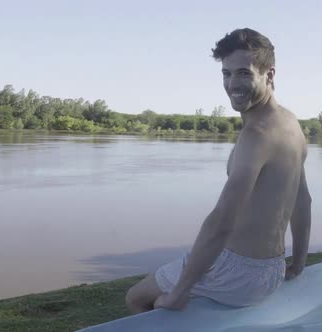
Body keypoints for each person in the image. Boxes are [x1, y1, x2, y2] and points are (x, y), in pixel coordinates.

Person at [125, 28, 312, 313]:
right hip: (271, 270)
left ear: (269, 75)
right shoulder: (292, 125)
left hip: (237, 273)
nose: (232, 84)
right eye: (226, 74)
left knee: (137, 297)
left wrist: (179, 292)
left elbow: (221, 221)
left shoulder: (256, 135)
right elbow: (303, 201)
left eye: (244, 73)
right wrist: (298, 263)